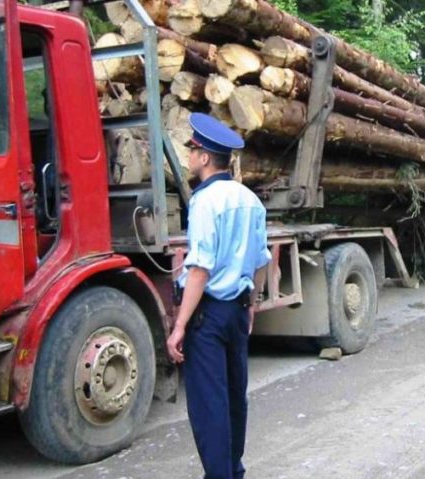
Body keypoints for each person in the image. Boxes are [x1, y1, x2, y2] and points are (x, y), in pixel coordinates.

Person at [166, 113, 271, 479]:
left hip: (207, 317)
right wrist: (253, 304)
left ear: (205, 157)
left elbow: (199, 269)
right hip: (238, 311)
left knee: (209, 402)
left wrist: (179, 326)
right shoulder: (250, 200)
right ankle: (233, 470)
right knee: (233, 397)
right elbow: (261, 261)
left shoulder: (204, 202)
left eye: (192, 149)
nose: (190, 156)